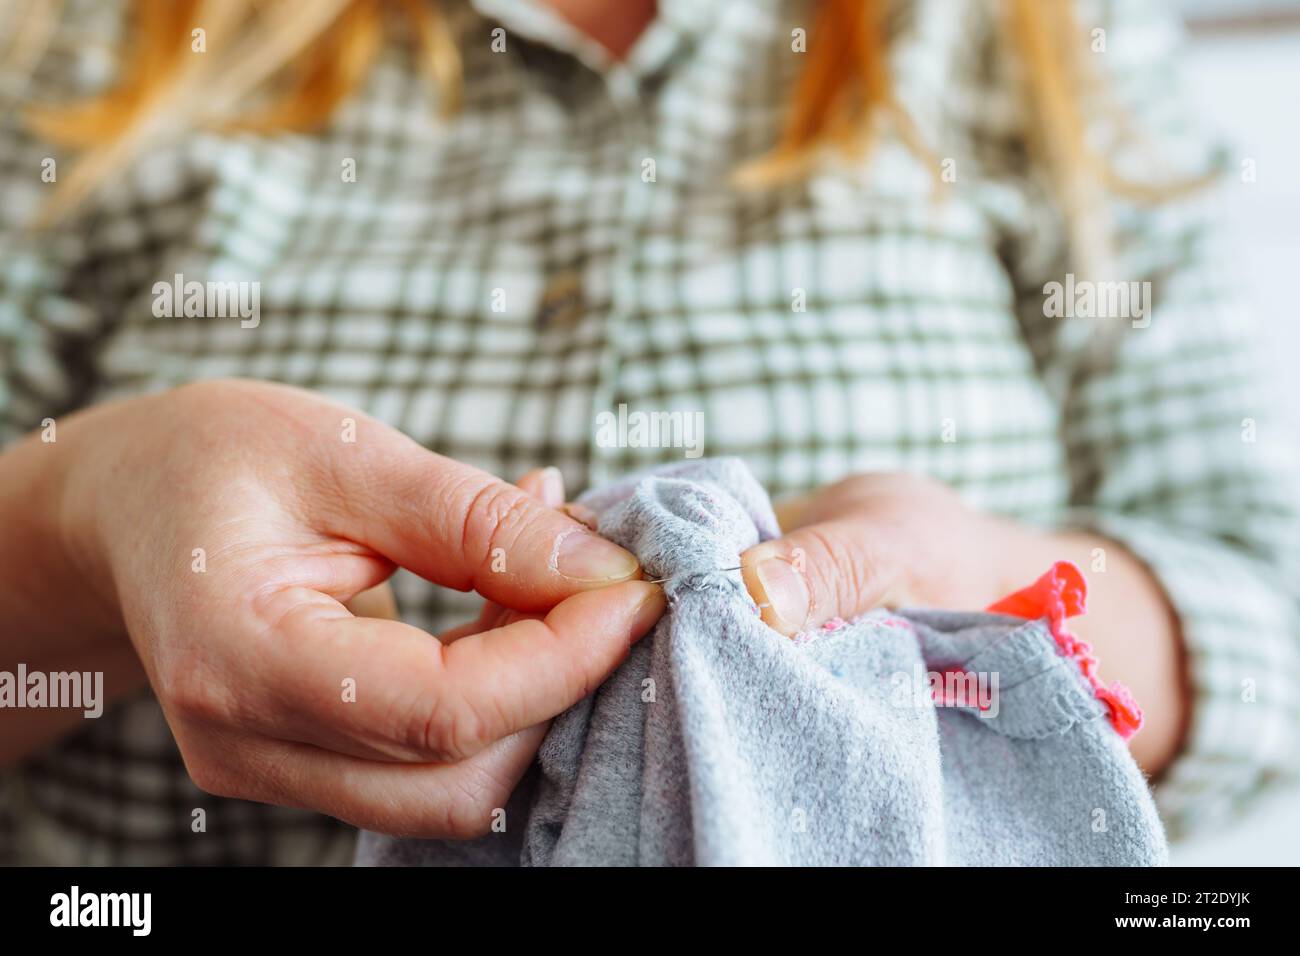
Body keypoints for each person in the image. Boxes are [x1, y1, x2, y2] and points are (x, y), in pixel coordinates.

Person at [1, 0, 1296, 865]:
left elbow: (1263, 607)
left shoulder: (1036, 40)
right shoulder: (97, 45)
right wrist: (94, 523)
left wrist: (988, 601)